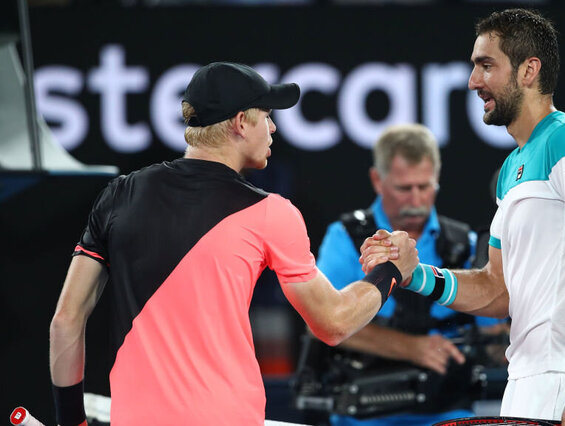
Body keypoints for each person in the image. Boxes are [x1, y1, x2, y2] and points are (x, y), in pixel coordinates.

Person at [48, 62, 419, 426]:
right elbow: (333, 323)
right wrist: (390, 272)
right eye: (267, 116)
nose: (274, 128)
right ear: (241, 123)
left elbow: (65, 322)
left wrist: (70, 421)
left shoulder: (118, 195)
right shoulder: (271, 212)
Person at [362, 8, 565, 426]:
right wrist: (415, 273)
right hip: (524, 385)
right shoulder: (512, 168)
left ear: (529, 71)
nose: (474, 82)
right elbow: (498, 290)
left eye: (486, 66)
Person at [315, 123, 504, 426]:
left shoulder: (464, 243)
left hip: (449, 411)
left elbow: (493, 336)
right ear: (378, 180)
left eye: (425, 186)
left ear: (437, 179)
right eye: (404, 188)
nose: (416, 199)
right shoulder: (346, 238)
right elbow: (322, 321)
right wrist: (412, 348)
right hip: (362, 416)